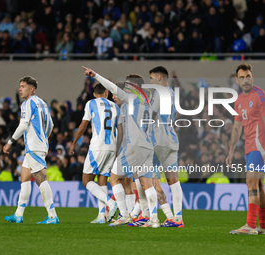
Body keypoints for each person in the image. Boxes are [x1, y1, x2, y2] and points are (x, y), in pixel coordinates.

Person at [83, 66, 160, 228]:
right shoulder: (146, 102)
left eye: (128, 84)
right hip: (147, 146)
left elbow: (112, 88)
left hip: (135, 146)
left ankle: (125, 215)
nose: (125, 87)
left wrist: (95, 74)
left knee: (114, 178)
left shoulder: (132, 98)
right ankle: (154, 219)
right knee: (147, 183)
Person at [3, 76, 59, 224]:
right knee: (25, 178)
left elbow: (23, 126)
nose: (20, 89)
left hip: (34, 146)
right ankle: (18, 214)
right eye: (20, 86)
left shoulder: (27, 103)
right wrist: (43, 137)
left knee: (41, 179)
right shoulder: (43, 103)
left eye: (23, 86)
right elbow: (51, 124)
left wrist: (10, 142)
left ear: (31, 89)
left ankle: (52, 215)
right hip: (36, 146)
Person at [69, 83, 120, 224]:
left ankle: (110, 203)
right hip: (112, 146)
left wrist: (74, 142)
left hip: (98, 146)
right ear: (106, 93)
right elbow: (119, 129)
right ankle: (101, 215)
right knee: (102, 180)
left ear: (94, 94)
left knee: (86, 180)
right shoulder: (115, 106)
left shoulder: (91, 103)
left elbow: (83, 125)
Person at [226, 63, 265, 235]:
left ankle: (250, 225)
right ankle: (264, 226)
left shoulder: (260, 95)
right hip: (249, 146)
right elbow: (237, 128)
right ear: (237, 80)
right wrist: (231, 151)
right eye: (241, 77)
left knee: (250, 181)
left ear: (252, 77)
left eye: (248, 76)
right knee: (259, 183)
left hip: (260, 145)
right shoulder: (239, 101)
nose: (245, 80)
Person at [147, 66, 184, 228]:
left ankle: (159, 216)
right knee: (173, 180)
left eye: (152, 78)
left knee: (151, 180)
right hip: (171, 139)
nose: (150, 82)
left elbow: (150, 115)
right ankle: (177, 218)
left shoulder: (158, 93)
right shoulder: (174, 94)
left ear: (160, 77)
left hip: (157, 141)